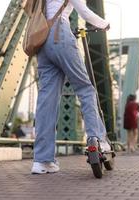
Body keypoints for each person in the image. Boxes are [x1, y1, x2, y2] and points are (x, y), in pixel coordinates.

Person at [31, 0, 111, 174]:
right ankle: (97, 139)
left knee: (47, 100)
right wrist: (105, 25)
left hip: (42, 40)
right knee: (85, 88)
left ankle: (42, 161)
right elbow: (85, 13)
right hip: (59, 33)